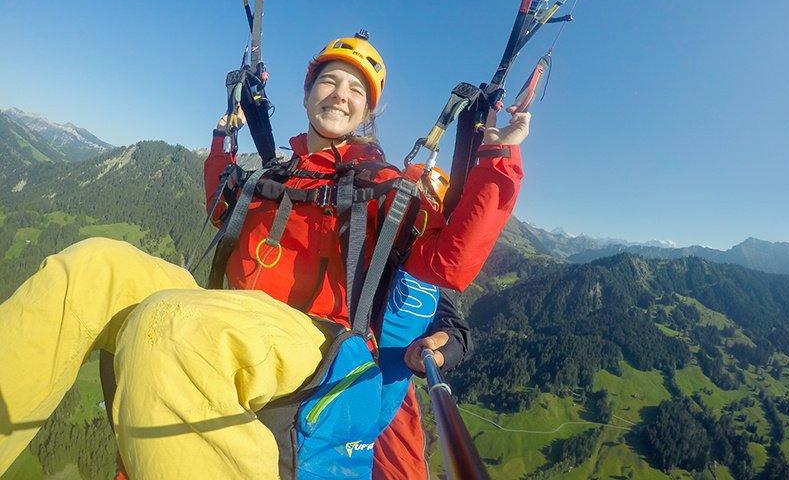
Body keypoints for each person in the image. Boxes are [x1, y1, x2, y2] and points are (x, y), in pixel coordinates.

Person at [0, 33, 528, 478]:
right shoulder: (271, 174)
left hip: (318, 344)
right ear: (306, 93)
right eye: (329, 80)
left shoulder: (389, 187)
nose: (340, 95)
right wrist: (223, 134)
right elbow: (219, 205)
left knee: (174, 326)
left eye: (355, 89)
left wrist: (496, 161)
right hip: (228, 321)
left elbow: (447, 265)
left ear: (368, 111)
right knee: (91, 267)